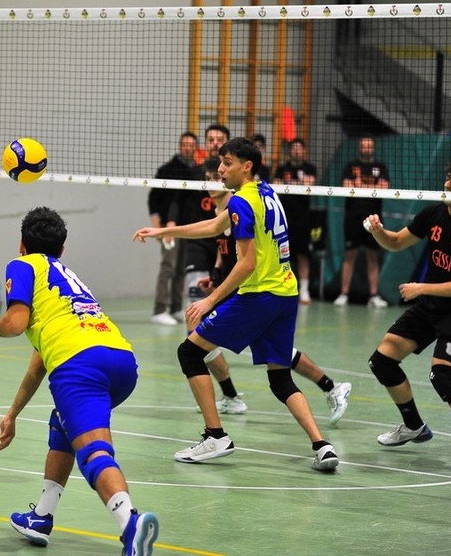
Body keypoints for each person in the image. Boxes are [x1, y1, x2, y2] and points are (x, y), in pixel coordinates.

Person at [140, 137, 338, 471]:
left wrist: (209, 300)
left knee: (189, 353)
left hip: (259, 296)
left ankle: (215, 435)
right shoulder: (266, 192)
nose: (220, 169)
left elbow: (246, 264)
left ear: (247, 167)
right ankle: (322, 446)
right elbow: (213, 226)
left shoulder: (241, 202)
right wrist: (161, 232)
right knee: (280, 378)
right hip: (286, 295)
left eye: (227, 163)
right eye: (220, 162)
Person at [0, 207, 159, 555]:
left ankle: (130, 523)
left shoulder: (23, 266)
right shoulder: (66, 279)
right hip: (121, 360)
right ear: (62, 249)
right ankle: (42, 517)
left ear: (22, 244)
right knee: (62, 421)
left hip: (81, 365)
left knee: (94, 451)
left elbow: (15, 323)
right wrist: (13, 413)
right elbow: (38, 364)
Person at [364, 158, 451, 472]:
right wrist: (377, 231)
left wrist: (421, 288)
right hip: (429, 306)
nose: (448, 184)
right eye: (448, 178)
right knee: (382, 361)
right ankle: (413, 426)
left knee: (442, 376)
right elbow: (396, 242)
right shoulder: (434, 213)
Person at [146, 132, 199, 325]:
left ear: (195, 148)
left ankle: (176, 308)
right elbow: (153, 199)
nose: (187, 148)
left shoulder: (197, 171)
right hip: (169, 227)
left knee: (181, 269)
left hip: (188, 227)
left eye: (191, 145)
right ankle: (159, 310)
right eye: (184, 144)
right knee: (168, 267)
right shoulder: (167, 169)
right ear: (179, 146)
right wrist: (157, 225)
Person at [335, 136, 390, 308]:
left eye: (369, 146)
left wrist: (359, 185)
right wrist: (372, 187)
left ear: (373, 148)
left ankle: (373, 296)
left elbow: (384, 187)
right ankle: (344, 294)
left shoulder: (381, 167)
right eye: (364, 146)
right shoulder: (351, 166)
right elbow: (346, 186)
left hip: (374, 218)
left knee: (373, 256)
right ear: (360, 148)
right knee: (350, 254)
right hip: (353, 217)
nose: (366, 149)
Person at [184, 124, 231, 302]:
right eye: (211, 140)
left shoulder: (235, 176)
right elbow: (179, 201)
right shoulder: (194, 173)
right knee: (196, 294)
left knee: (221, 299)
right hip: (199, 242)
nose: (215, 144)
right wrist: (169, 225)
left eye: (220, 140)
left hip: (225, 243)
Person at [273, 138, 318, 304]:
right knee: (281, 255)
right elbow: (277, 186)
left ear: (304, 151)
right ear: (290, 151)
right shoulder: (282, 168)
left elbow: (310, 183)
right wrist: (298, 183)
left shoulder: (310, 168)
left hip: (303, 219)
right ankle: (281, 288)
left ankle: (304, 291)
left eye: (300, 148)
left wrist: (290, 183)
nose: (297, 151)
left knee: (303, 255)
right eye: (294, 148)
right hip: (283, 219)